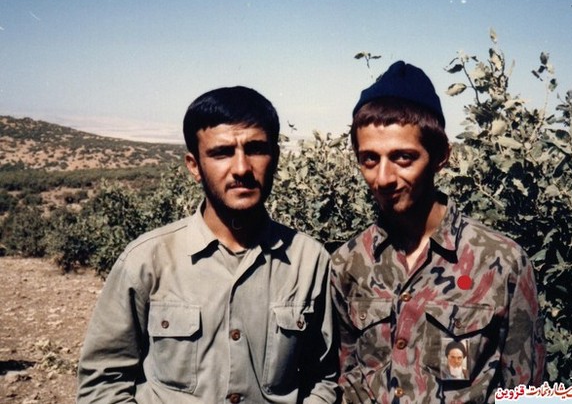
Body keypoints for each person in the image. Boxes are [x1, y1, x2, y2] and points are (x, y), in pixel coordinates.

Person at [77, 87, 339, 403]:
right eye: (221, 153)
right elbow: (103, 384)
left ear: (276, 157)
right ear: (194, 166)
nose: (241, 168)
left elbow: (324, 379)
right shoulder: (147, 261)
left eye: (256, 149)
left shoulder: (309, 262)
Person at [330, 61, 545, 403]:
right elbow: (344, 376)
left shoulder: (501, 263)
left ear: (441, 156)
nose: (383, 178)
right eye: (369, 159)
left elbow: (526, 392)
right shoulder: (348, 263)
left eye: (403, 157)